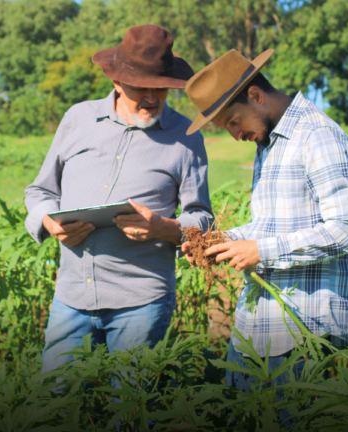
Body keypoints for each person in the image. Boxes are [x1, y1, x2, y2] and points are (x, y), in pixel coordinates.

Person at [183, 49, 348, 424]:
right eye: (228, 129)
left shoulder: (317, 135)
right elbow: (270, 226)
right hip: (261, 326)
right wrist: (221, 242)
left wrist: (261, 250)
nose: (236, 135)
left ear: (255, 96)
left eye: (234, 122)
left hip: (306, 330)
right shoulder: (270, 141)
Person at [24, 25, 213, 377]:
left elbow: (202, 218)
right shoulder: (78, 119)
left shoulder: (186, 138)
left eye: (161, 90)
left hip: (141, 304)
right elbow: (40, 192)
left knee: (130, 411)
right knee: (52, 405)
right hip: (71, 297)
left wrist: (165, 227)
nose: (152, 98)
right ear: (116, 82)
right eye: (141, 88)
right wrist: (49, 221)